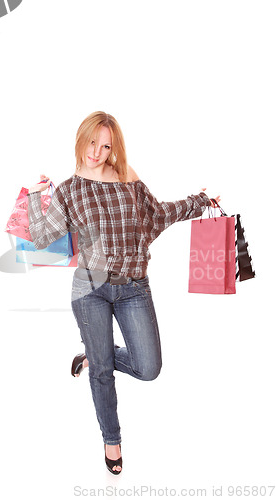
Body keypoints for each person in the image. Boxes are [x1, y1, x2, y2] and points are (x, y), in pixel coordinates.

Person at [27, 111, 220, 474]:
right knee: (103, 374)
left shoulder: (127, 177)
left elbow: (156, 215)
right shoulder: (69, 190)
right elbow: (41, 237)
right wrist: (37, 198)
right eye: (92, 143)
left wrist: (199, 202)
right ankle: (111, 438)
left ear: (114, 149)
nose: (96, 152)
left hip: (134, 288)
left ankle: (94, 354)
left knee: (149, 368)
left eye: (106, 146)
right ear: (81, 138)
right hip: (90, 290)